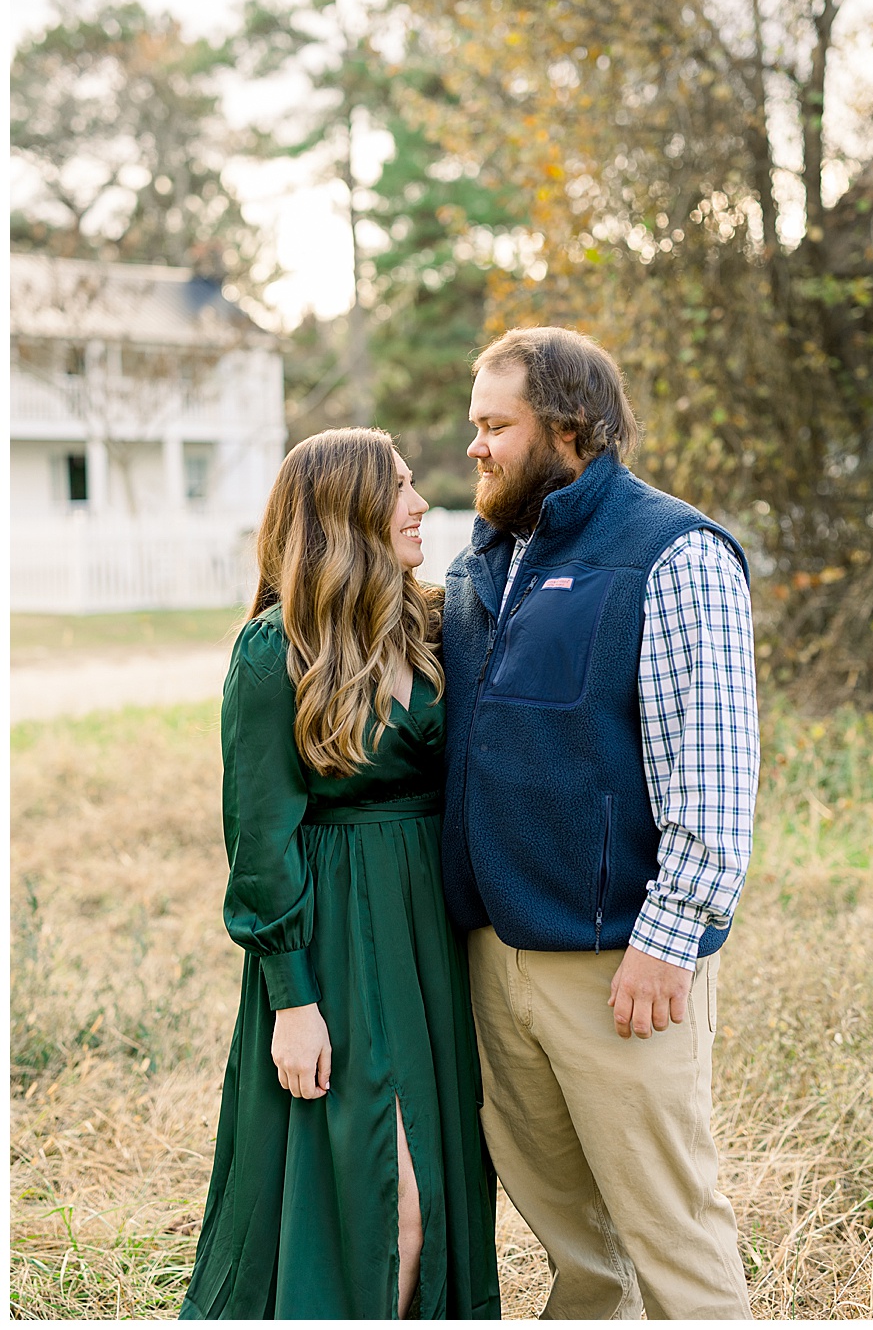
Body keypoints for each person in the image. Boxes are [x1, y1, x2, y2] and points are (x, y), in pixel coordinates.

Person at [439, 327, 758, 1319]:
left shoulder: (674, 551)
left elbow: (711, 773)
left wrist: (666, 943)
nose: (477, 448)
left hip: (623, 967)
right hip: (495, 960)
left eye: (496, 426)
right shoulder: (483, 559)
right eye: (474, 428)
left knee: (674, 1237)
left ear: (567, 429)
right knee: (577, 1249)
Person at [183, 430, 501, 1319]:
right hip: (337, 945)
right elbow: (258, 840)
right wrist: (292, 999)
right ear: (346, 515)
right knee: (380, 1202)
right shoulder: (273, 651)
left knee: (437, 1195)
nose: (417, 503)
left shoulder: (437, 623)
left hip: (433, 939)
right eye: (397, 489)